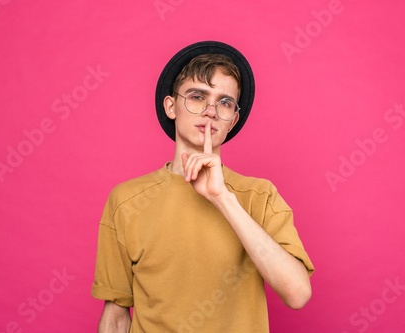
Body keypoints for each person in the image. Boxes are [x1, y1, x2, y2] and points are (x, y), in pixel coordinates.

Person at [91, 41, 314, 333]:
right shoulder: (126, 200)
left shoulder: (260, 196)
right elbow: (115, 316)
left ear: (233, 120)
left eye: (224, 102)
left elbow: (297, 294)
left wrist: (222, 198)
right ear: (171, 106)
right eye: (197, 97)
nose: (211, 111)